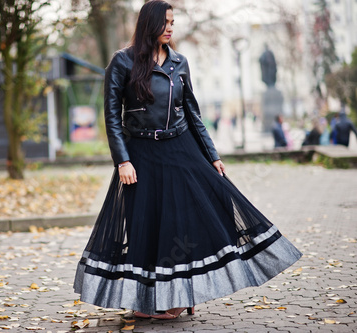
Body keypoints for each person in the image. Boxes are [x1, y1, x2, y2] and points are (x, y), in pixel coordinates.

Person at [74, 0, 302, 320]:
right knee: (147, 225)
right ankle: (149, 299)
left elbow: (193, 115)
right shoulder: (123, 62)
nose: (170, 28)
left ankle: (179, 297)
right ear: (149, 24)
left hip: (180, 151)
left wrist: (212, 156)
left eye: (172, 22)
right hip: (140, 155)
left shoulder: (179, 62)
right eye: (165, 22)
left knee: (185, 220)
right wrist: (122, 161)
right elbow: (112, 117)